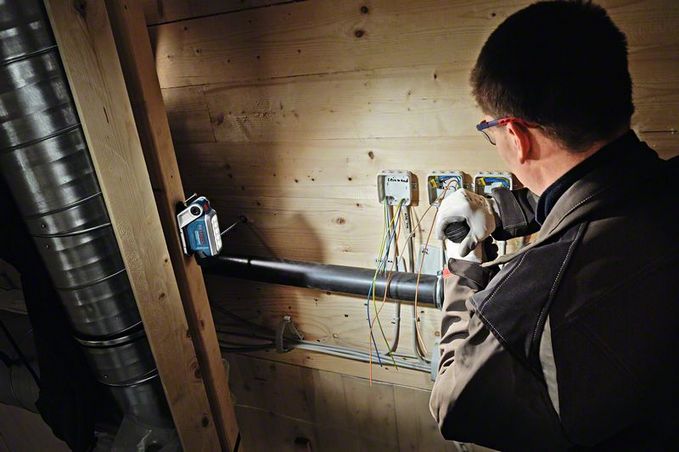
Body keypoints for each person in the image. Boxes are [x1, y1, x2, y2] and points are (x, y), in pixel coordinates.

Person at [429, 1, 679, 450]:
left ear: (516, 135)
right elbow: (600, 188)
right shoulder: (664, 186)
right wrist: (503, 211)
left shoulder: (528, 301)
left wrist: (460, 270)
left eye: (490, 131)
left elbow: (453, 404)